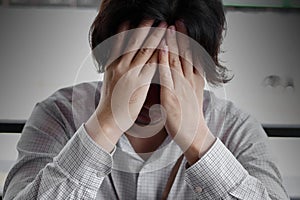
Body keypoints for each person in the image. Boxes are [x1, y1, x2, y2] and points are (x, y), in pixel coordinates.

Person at [3, 0, 289, 199]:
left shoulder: (237, 131)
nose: (149, 94)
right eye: (136, 62)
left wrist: (198, 141)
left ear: (201, 69)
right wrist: (105, 126)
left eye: (173, 67)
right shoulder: (58, 116)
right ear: (109, 58)